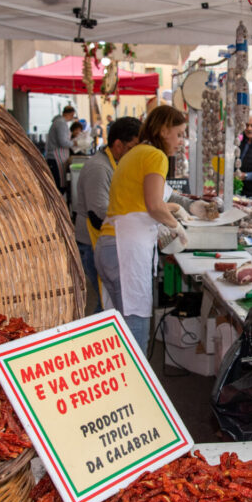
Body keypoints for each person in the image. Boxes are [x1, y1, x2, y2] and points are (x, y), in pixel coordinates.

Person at [95, 106, 190, 351]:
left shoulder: (135, 153)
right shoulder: (155, 156)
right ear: (163, 130)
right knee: (135, 331)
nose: (181, 141)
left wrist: (176, 209)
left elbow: (140, 202)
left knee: (120, 330)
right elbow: (153, 205)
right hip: (125, 249)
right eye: (179, 134)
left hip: (110, 245)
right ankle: (136, 387)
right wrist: (176, 226)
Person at [73, 117, 142, 314]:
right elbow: (100, 212)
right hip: (92, 242)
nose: (136, 153)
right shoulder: (100, 168)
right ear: (118, 145)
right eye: (133, 147)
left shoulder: (118, 164)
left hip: (107, 239)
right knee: (106, 303)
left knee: (109, 301)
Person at [46, 105, 76, 193]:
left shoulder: (58, 122)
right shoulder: (61, 123)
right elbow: (63, 142)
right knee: (59, 186)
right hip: (56, 158)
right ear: (70, 114)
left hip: (57, 157)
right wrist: (74, 143)